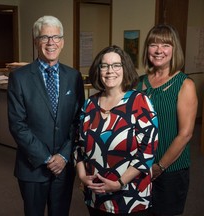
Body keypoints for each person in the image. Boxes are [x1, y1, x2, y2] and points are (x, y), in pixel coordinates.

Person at [7, 15, 85, 216]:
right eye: (44, 37)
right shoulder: (19, 77)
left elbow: (78, 121)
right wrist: (47, 158)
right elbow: (17, 124)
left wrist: (63, 155)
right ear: (36, 42)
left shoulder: (74, 77)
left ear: (62, 42)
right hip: (32, 167)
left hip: (64, 167)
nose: (51, 42)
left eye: (56, 37)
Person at [74, 45, 159, 215]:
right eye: (104, 66)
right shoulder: (89, 105)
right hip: (96, 196)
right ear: (98, 70)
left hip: (131, 197)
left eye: (116, 65)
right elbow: (78, 145)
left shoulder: (140, 102)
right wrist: (82, 176)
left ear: (125, 68)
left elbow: (147, 152)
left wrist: (119, 183)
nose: (109, 70)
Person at [136, 24, 198, 216]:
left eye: (165, 45)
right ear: (147, 49)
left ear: (174, 49)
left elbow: (185, 134)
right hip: (139, 167)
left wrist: (160, 166)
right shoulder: (139, 83)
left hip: (171, 170)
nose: (159, 50)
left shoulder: (184, 84)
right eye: (153, 44)